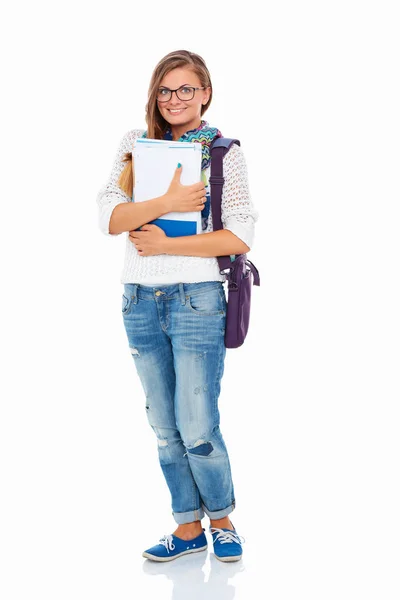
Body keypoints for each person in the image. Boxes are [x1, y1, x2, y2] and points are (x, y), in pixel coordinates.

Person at [96, 49, 259, 562]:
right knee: (164, 427)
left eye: (186, 89)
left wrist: (163, 243)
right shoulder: (134, 146)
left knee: (198, 425)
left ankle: (224, 520)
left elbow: (239, 236)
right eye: (165, 90)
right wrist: (169, 204)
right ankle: (188, 529)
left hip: (197, 299)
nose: (174, 99)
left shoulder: (223, 152)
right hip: (138, 300)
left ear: (206, 93)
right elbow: (109, 216)